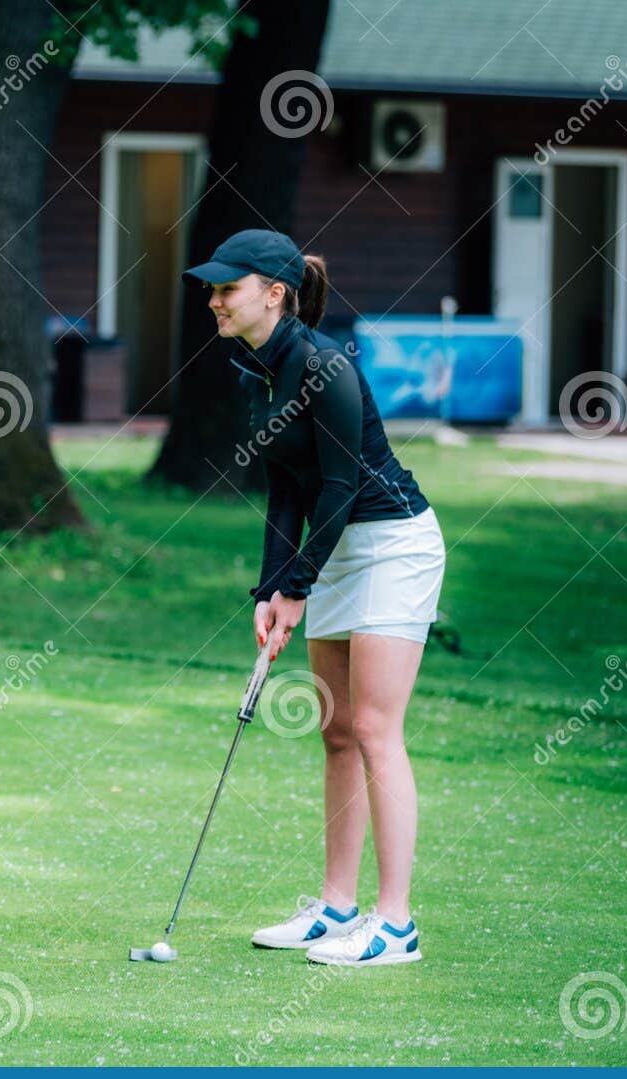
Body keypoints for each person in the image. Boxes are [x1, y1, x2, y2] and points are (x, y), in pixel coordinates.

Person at [185, 229, 444, 966]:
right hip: (332, 547)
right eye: (211, 289)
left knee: (372, 727)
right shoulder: (253, 373)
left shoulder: (324, 366)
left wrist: (299, 586)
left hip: (393, 544)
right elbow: (285, 486)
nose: (213, 300)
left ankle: (396, 923)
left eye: (226, 289)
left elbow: (338, 484)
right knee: (334, 729)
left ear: (274, 293)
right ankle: (337, 906)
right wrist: (271, 587)